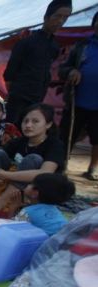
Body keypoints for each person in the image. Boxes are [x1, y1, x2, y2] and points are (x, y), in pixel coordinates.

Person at [0, 103, 66, 214]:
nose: (28, 125)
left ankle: (2, 201)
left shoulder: (55, 145)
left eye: (35, 121)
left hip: (39, 188)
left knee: (33, 159)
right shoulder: (19, 142)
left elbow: (45, 173)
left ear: (48, 124)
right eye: (25, 121)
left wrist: (6, 175)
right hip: (11, 184)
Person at [4, 0, 72, 125]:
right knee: (12, 131)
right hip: (19, 96)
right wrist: (14, 92)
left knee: (30, 132)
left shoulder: (54, 47)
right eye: (58, 16)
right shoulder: (26, 42)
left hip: (38, 98)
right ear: (46, 17)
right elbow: (9, 73)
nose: (61, 21)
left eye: (65, 17)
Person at [59, 11, 98, 180]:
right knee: (67, 136)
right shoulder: (83, 45)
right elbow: (63, 69)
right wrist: (71, 71)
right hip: (76, 102)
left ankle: (91, 169)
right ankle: (60, 166)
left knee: (97, 139)